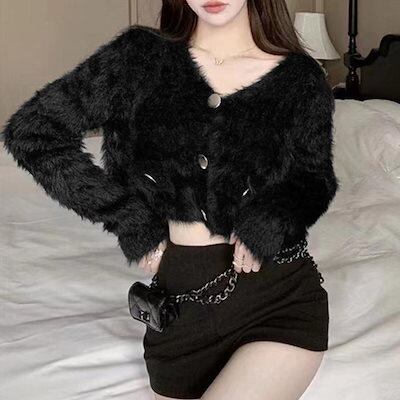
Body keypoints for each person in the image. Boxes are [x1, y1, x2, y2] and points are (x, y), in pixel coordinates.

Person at [2, 0, 339, 399]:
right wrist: (128, 219)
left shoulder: (300, 78)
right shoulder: (138, 58)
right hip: (180, 311)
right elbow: (33, 132)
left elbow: (315, 178)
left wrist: (272, 217)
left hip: (277, 300)